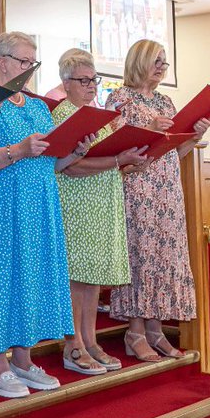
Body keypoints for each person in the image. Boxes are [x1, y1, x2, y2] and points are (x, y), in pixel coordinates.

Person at [0, 32, 95, 399]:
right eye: (23, 61)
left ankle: (23, 358)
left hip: (38, 203)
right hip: (0, 206)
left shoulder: (36, 108)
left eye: (33, 62)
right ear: (0, 61)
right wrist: (18, 150)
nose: (29, 68)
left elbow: (53, 162)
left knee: (31, 277)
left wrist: (76, 152)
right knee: (0, 277)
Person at [105, 39, 209, 361]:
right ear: (139, 62)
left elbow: (175, 153)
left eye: (165, 61)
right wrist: (148, 129)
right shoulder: (120, 98)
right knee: (142, 256)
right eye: (157, 61)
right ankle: (134, 333)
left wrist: (194, 137)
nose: (163, 67)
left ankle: (155, 330)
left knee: (165, 257)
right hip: (137, 187)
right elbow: (113, 145)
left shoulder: (166, 102)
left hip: (167, 189)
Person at [52, 49, 148, 375]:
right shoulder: (62, 116)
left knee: (93, 278)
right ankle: (73, 343)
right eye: (83, 80)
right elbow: (70, 167)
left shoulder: (99, 117)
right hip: (77, 202)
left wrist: (132, 159)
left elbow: (113, 161)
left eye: (94, 80)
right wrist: (119, 160)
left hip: (103, 201)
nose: (91, 86)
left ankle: (91, 340)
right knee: (77, 277)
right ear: (66, 83)